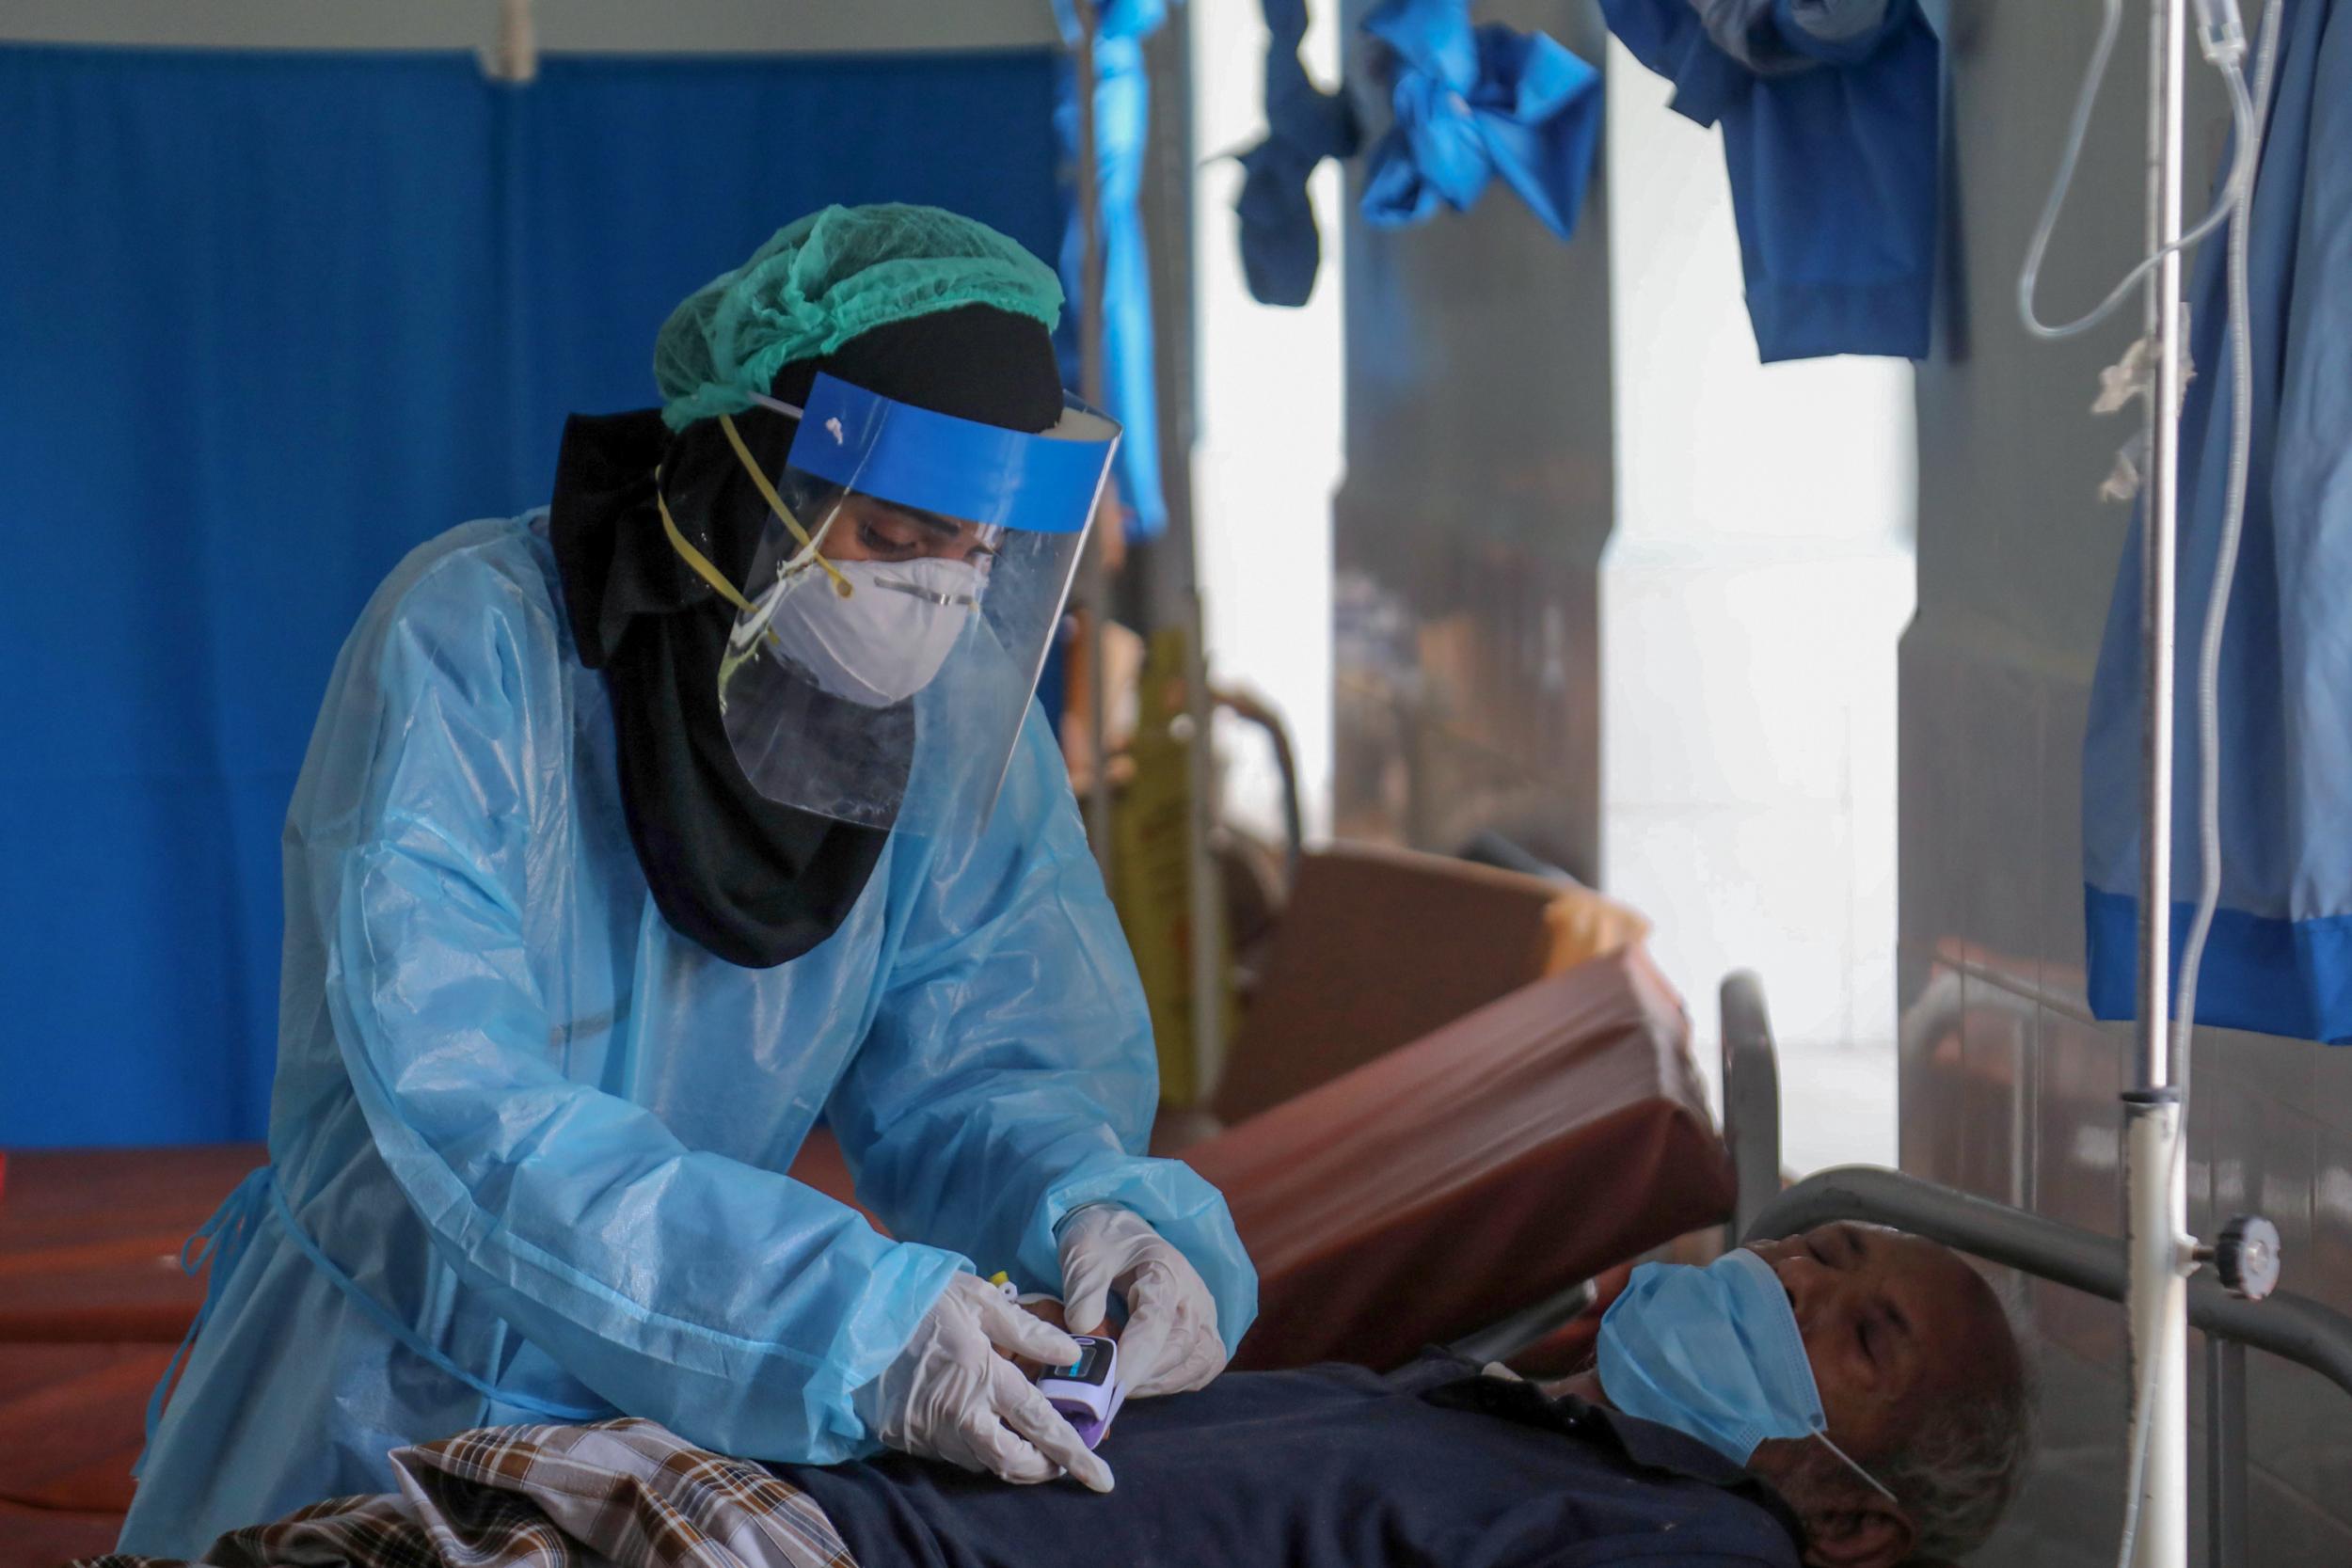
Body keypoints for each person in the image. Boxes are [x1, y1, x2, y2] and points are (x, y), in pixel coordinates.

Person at [119, 203, 1256, 1557]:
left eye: (980, 554)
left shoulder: (946, 732)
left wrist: (1103, 1217)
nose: (942, 599)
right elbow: (469, 1114)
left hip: (696, 1393)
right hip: (381, 1394)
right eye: (896, 537)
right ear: (755, 470)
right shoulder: (479, 645)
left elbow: (988, 1070)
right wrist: (839, 1320)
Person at [97, 1223, 2031, 1568]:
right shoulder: (1504, 1418)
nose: (1795, 1277)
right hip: (782, 1508)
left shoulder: (1688, 1546)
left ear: (1853, 1516)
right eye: (1822, 1253)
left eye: (1855, 1335)